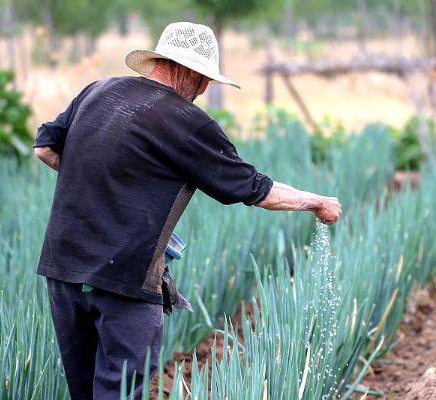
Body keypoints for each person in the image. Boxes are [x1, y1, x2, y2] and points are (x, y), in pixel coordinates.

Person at [33, 22, 341, 400]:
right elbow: (256, 190)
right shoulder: (185, 121)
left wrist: (105, 183)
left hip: (63, 270)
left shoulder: (98, 91)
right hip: (125, 280)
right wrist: (317, 202)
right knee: (119, 391)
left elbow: (45, 148)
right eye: (205, 80)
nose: (204, 90)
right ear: (191, 72)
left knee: (84, 391)